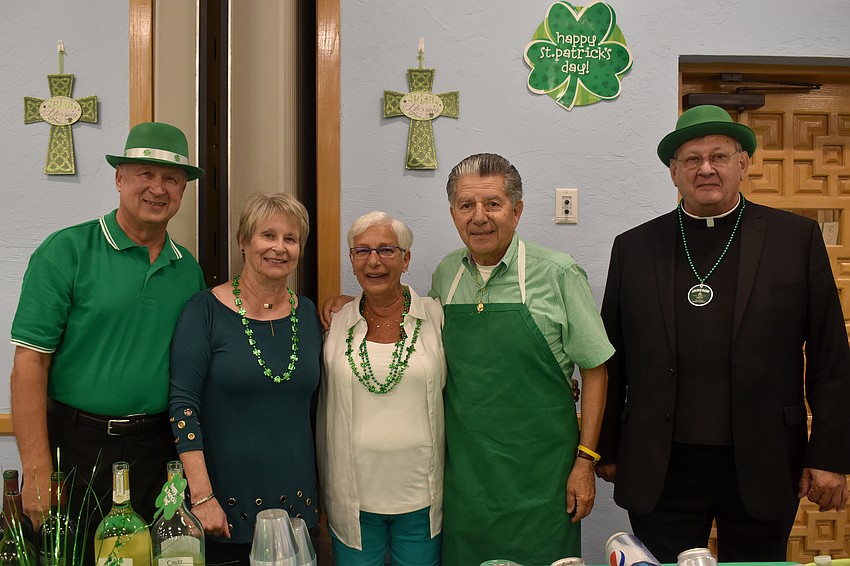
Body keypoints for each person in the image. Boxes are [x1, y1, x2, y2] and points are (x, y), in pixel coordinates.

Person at [597, 105, 850, 562]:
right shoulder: (634, 246)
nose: (706, 168)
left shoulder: (795, 238)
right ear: (674, 172)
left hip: (765, 456)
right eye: (691, 159)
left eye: (719, 156)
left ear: (744, 164)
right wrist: (606, 447)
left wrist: (830, 454)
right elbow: (615, 358)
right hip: (662, 462)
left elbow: (832, 356)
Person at [9, 122, 205, 541]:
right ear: (119, 178)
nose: (158, 188)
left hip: (159, 451)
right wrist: (37, 468)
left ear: (184, 190)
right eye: (144, 174)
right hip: (77, 449)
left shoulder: (187, 269)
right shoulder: (65, 251)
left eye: (171, 178)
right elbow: (29, 363)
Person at [169, 192, 322, 566]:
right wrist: (202, 498)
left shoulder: (309, 314)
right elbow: (182, 407)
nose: (279, 248)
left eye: (291, 239)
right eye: (267, 236)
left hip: (298, 510)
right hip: (222, 509)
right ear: (243, 241)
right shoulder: (203, 311)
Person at [318, 211, 446, 566]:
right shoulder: (335, 321)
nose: (373, 261)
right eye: (362, 251)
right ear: (352, 260)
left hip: (421, 497)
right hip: (353, 499)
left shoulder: (436, 316)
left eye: (386, 250)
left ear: (406, 259)